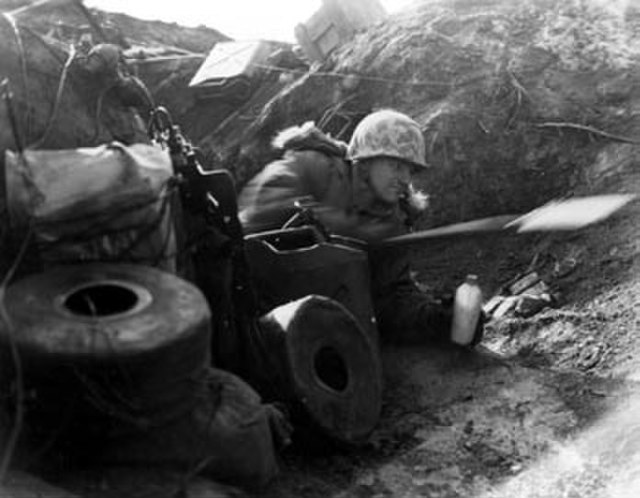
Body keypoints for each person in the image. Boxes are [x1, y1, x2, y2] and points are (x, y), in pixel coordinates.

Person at [238, 109, 483, 346]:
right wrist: (355, 234)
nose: (406, 179)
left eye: (410, 170)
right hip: (248, 314)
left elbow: (388, 300)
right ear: (366, 161)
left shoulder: (392, 219)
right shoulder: (311, 167)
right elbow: (258, 219)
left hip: (321, 337)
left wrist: (436, 319)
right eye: (396, 166)